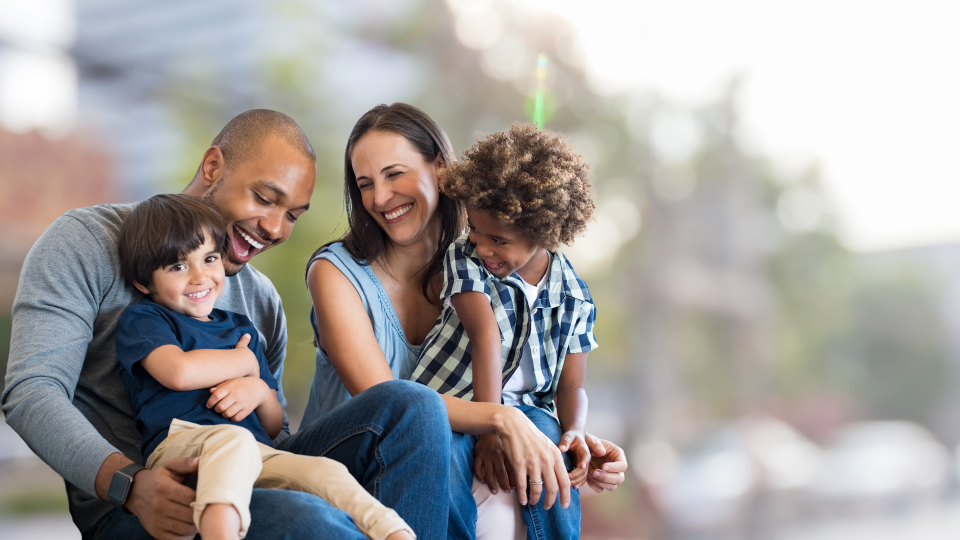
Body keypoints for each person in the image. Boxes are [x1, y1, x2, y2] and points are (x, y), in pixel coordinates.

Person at [2, 109, 451, 540]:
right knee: (308, 519)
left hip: (254, 470)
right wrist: (132, 486)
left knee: (413, 404)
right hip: (144, 507)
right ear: (213, 165)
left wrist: (260, 393)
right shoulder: (86, 241)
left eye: (293, 215)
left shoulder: (260, 300)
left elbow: (274, 436)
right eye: (264, 198)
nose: (275, 228)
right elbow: (31, 391)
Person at [306, 102, 628, 539]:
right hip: (354, 459)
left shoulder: (490, 264)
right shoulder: (336, 273)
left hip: (439, 455)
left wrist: (575, 439)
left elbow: (534, 375)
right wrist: (499, 418)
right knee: (428, 417)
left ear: (440, 167)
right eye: (365, 184)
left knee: (538, 435)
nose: (380, 198)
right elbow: (392, 407)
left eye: (394, 173)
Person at [114, 194, 413, 540]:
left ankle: (394, 532)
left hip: (257, 452)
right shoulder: (146, 318)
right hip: (183, 447)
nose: (200, 277)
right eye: (178, 267)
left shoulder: (240, 328)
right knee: (234, 440)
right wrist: (244, 362)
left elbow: (273, 425)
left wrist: (257, 389)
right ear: (143, 283)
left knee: (323, 471)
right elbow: (178, 372)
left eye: (209, 258)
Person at [410, 123, 596, 539]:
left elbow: (571, 388)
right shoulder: (465, 258)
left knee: (552, 445)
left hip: (528, 411)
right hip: (455, 403)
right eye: (474, 228)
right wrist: (491, 428)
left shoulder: (575, 296)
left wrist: (575, 433)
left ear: (543, 233)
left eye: (498, 238)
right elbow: (485, 336)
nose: (481, 245)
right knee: (450, 456)